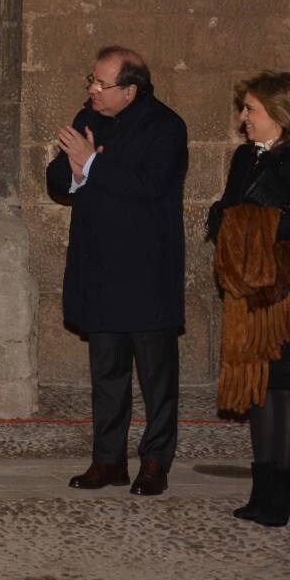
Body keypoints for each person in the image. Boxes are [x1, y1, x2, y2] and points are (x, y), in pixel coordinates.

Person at [46, 46, 187, 497]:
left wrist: (91, 163)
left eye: (102, 84)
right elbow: (56, 178)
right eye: (92, 79)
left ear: (130, 90)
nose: (92, 89)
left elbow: (150, 187)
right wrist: (75, 168)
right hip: (99, 271)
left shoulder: (166, 126)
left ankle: (154, 462)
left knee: (156, 378)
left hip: (146, 275)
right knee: (107, 375)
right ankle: (108, 460)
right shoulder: (89, 118)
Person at [207, 72, 290, 527]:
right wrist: (230, 217)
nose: (243, 118)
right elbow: (224, 212)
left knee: (287, 390)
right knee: (259, 388)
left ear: (279, 112)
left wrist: (251, 218)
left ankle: (284, 490)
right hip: (252, 292)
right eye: (244, 109)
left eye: (251, 109)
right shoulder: (244, 159)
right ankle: (261, 491)